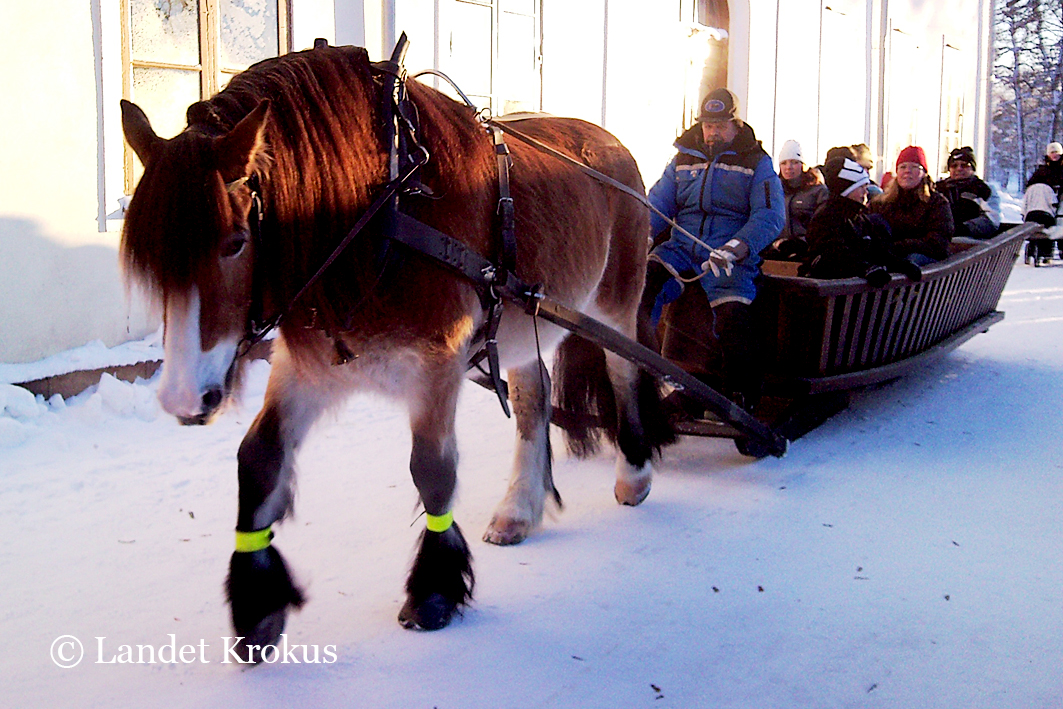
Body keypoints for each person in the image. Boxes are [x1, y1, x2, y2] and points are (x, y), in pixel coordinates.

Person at [641, 87, 785, 411]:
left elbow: (770, 214)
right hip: (680, 249)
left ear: (735, 124)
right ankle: (639, 374)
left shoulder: (756, 162)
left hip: (728, 256)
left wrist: (737, 248)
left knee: (733, 315)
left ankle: (740, 395)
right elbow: (659, 202)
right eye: (707, 125)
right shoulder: (682, 158)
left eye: (720, 125)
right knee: (644, 286)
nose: (712, 132)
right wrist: (644, 234)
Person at [800, 156, 921, 285]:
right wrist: (865, 269)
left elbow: (878, 251)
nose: (866, 192)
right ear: (847, 191)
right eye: (861, 187)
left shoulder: (860, 217)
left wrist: (901, 265)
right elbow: (835, 254)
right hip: (828, 291)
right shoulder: (827, 217)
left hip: (850, 294)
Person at [868, 145, 953, 267]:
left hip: (925, 263)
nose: (907, 171)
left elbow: (938, 243)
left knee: (912, 261)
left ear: (924, 173)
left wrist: (901, 246)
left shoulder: (936, 203)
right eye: (903, 167)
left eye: (914, 167)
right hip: (889, 257)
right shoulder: (881, 203)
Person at [764, 139, 828, 260]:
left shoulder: (817, 191)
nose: (789, 167)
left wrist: (802, 244)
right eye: (784, 163)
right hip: (776, 252)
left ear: (803, 165)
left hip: (806, 252)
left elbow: (822, 224)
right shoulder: (773, 191)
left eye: (794, 162)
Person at [935, 146, 1001, 239]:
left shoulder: (983, 189)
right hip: (940, 238)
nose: (959, 169)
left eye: (964, 165)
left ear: (973, 168)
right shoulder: (938, 189)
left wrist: (964, 228)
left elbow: (991, 219)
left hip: (972, 240)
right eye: (954, 165)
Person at [1022, 141, 1063, 264]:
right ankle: (1042, 250)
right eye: (1052, 152)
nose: (1054, 155)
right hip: (1045, 200)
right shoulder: (1042, 170)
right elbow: (1031, 184)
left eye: (1056, 152)